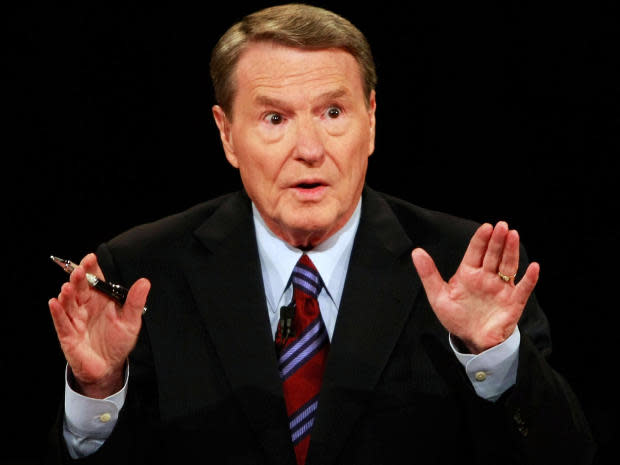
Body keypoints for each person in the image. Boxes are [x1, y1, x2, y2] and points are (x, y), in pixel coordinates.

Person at [46, 4, 595, 464]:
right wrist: (97, 393)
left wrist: (495, 357)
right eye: (274, 119)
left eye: (333, 111)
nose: (309, 149)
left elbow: (569, 455)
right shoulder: (141, 273)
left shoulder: (469, 266)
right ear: (227, 134)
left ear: (372, 120)